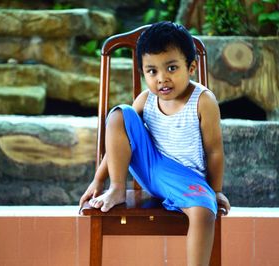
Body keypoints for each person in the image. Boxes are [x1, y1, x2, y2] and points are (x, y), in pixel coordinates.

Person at [79, 21, 231, 265]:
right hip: (150, 167)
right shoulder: (146, 99)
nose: (162, 79)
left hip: (187, 179)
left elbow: (214, 151)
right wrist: (99, 179)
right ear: (143, 72)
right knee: (120, 114)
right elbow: (119, 141)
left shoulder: (203, 101)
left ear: (191, 67)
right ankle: (117, 188)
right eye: (152, 71)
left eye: (171, 68)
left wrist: (216, 190)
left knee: (204, 213)